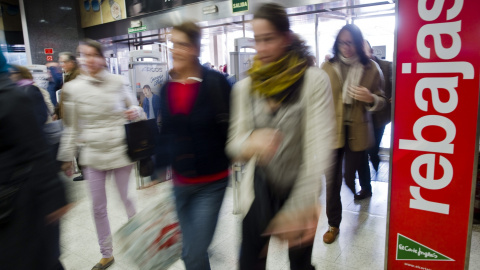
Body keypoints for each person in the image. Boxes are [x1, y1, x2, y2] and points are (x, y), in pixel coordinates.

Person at [226, 4, 335, 270]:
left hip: (301, 186)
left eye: (269, 39)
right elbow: (233, 144)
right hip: (260, 190)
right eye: (257, 40)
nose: (261, 49)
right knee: (249, 262)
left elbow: (318, 148)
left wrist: (298, 209)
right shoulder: (245, 88)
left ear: (286, 38)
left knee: (299, 263)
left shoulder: (313, 81)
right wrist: (251, 142)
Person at [57, 39, 144, 270]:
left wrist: (134, 111)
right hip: (93, 154)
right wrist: (66, 156)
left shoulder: (117, 81)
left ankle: (140, 242)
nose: (90, 59)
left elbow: (137, 108)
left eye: (94, 54)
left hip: (119, 151)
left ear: (103, 58)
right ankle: (106, 253)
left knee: (126, 200)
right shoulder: (73, 88)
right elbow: (72, 126)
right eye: (85, 55)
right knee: (97, 207)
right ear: (81, 59)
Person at [156, 21, 231, 270]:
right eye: (173, 44)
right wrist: (158, 167)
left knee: (194, 251)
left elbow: (230, 127)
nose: (175, 50)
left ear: (196, 49)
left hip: (212, 183)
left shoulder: (215, 83)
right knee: (189, 253)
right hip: (180, 183)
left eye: (182, 44)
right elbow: (166, 132)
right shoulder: (167, 89)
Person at [0, 51, 70, 270]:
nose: (55, 70)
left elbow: (37, 148)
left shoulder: (13, 97)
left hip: (18, 203)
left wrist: (54, 195)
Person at [321, 24, 386, 244]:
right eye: (342, 42)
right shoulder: (328, 67)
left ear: (358, 43)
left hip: (358, 130)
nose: (346, 47)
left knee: (349, 177)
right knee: (332, 183)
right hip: (331, 131)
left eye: (350, 42)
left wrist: (371, 98)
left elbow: (382, 100)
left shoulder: (372, 68)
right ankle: (333, 224)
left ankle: (360, 187)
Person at [364, 40, 392, 173]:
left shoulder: (387, 66)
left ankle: (375, 159)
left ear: (371, 51)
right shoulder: (359, 68)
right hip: (364, 116)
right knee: (366, 148)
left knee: (373, 147)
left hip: (381, 115)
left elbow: (397, 83)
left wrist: (394, 96)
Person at [58, 52, 84, 181]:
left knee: (80, 144)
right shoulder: (68, 76)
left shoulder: (77, 76)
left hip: (78, 119)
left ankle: (85, 170)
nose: (61, 65)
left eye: (63, 62)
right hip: (71, 117)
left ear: (71, 62)